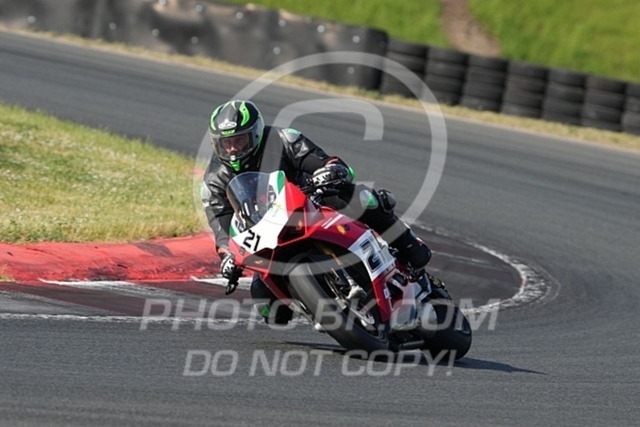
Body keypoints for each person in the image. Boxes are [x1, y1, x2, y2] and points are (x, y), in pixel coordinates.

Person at [201, 99, 431, 324]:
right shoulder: (213, 181)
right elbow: (221, 226)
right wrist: (228, 256)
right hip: (266, 233)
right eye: (226, 143)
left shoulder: (282, 139)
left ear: (256, 135)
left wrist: (331, 170)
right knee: (268, 308)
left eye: (240, 141)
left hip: (309, 203)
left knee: (361, 198)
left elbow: (325, 161)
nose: (233, 149)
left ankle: (408, 243)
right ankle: (312, 304)